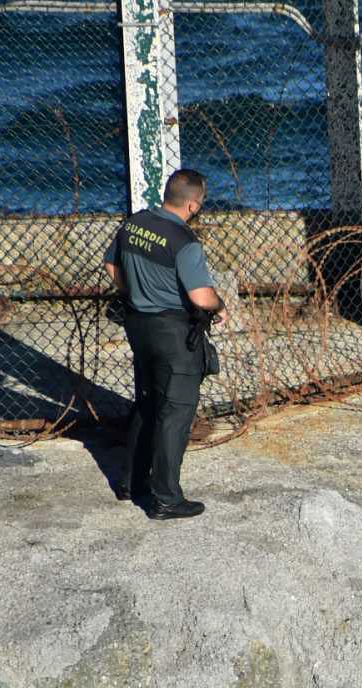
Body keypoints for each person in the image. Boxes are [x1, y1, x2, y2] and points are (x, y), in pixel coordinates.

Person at [103, 168, 224, 521]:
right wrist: (220, 306)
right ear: (192, 204)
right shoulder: (184, 241)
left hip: (138, 326)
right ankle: (166, 498)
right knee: (176, 414)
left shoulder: (134, 224)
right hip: (173, 333)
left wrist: (133, 293)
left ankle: (131, 482)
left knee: (148, 403)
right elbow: (201, 297)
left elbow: (112, 265)